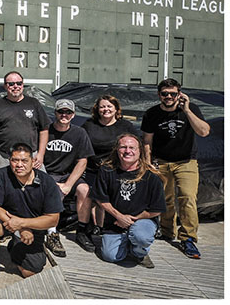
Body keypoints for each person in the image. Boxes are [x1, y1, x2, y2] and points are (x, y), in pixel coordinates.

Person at [0, 143, 64, 287]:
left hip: (32, 226)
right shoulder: (1, 175)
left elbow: (53, 219)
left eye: (24, 161)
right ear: (9, 160)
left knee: (29, 272)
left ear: (33, 161)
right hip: (5, 221)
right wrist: (19, 228)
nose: (19, 165)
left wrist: (23, 224)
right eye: (15, 160)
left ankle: (15, 246)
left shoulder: (47, 182)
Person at [141, 78, 210, 259]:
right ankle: (167, 231)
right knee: (165, 199)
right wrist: (148, 162)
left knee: (187, 197)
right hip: (161, 161)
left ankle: (188, 238)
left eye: (173, 93)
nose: (169, 97)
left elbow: (204, 132)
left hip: (186, 161)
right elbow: (147, 140)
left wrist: (186, 110)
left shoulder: (190, 109)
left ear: (179, 94)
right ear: (159, 95)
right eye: (165, 94)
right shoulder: (152, 113)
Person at [92, 133, 166, 268]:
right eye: (123, 147)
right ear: (116, 150)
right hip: (115, 221)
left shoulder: (152, 176)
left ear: (140, 151)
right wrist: (119, 217)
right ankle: (127, 241)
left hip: (143, 220)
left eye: (132, 147)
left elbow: (156, 210)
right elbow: (101, 199)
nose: (127, 151)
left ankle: (139, 253)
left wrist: (131, 220)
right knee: (110, 256)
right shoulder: (106, 170)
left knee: (141, 236)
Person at [41, 99, 95, 257]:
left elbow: (83, 161)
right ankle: (51, 234)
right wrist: (52, 182)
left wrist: (68, 184)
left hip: (69, 174)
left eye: (68, 112)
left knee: (85, 190)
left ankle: (82, 231)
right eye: (61, 112)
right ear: (55, 113)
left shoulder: (79, 133)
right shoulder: (45, 131)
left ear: (73, 115)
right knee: (53, 191)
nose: (64, 115)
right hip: (47, 173)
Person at [82, 95, 137, 235]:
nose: (105, 109)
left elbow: (137, 145)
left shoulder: (125, 126)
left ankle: (119, 225)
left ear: (116, 109)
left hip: (117, 169)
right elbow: (82, 145)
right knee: (93, 197)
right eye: (102, 107)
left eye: (109, 106)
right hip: (93, 169)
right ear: (97, 109)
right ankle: (95, 227)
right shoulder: (89, 125)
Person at [0, 71, 50, 172]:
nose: (15, 86)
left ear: (23, 85)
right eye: (11, 84)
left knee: (41, 183)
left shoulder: (33, 103)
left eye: (19, 83)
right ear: (5, 86)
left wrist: (40, 154)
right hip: (4, 157)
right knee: (3, 186)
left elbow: (44, 129)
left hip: (30, 155)